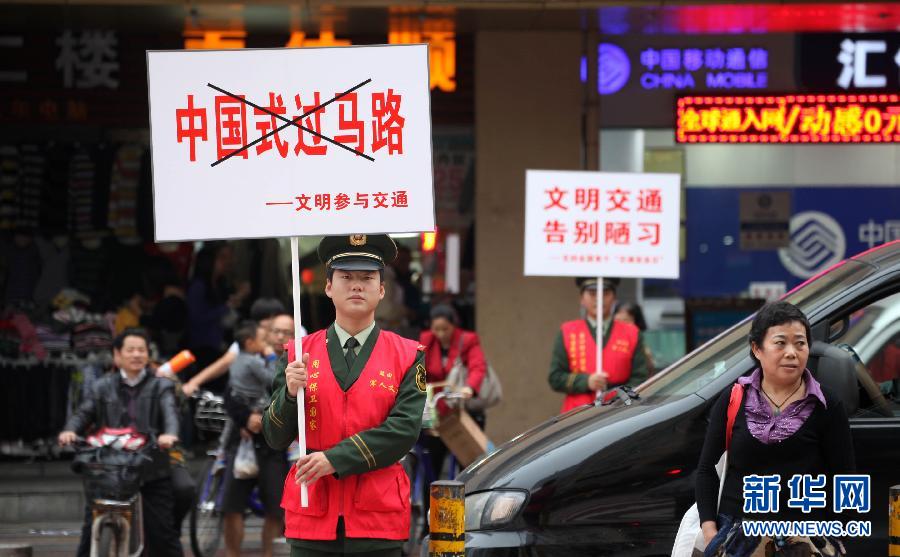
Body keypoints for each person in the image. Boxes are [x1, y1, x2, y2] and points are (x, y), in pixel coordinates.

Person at [263, 234, 427, 557]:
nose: (356, 286)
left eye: (367, 278)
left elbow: (404, 431)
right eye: (346, 277)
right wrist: (290, 394)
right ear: (328, 287)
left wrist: (333, 459)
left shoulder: (407, 355)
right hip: (312, 516)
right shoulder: (298, 353)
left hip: (376, 520)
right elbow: (273, 436)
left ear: (381, 290)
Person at [695, 301, 855, 556]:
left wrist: (833, 539)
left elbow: (845, 479)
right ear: (757, 349)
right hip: (738, 539)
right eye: (780, 343)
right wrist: (711, 532)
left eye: (800, 343)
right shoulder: (733, 399)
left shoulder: (827, 403)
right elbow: (706, 471)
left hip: (806, 541)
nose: (792, 352)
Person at [58, 328, 183, 557]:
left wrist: (169, 435)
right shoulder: (102, 386)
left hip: (150, 466)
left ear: (148, 354)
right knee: (89, 532)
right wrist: (69, 431)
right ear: (117, 355)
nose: (136, 355)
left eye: (141, 350)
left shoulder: (161, 386)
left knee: (163, 533)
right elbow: (82, 413)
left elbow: (170, 414)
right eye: (130, 350)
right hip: (110, 469)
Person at [220, 320, 287, 557]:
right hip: (243, 441)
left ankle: (268, 553)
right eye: (273, 332)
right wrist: (245, 418)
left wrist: (269, 420)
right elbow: (230, 395)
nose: (277, 337)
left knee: (276, 506)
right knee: (231, 505)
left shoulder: (294, 360)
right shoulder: (248, 361)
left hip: (274, 443)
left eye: (284, 332)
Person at [548, 277, 649, 413]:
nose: (599, 299)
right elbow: (555, 377)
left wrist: (616, 395)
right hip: (575, 415)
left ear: (614, 299)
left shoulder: (632, 333)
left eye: (605, 293)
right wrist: (586, 381)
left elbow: (640, 378)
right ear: (582, 299)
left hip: (618, 413)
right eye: (592, 293)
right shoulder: (568, 331)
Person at [182, 297, 291, 397]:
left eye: (286, 332)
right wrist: (193, 383)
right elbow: (225, 362)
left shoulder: (298, 332)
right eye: (266, 322)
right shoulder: (253, 339)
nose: (280, 336)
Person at [614, 301, 656, 375]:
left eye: (626, 320)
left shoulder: (642, 349)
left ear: (636, 323)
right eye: (618, 321)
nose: (621, 325)